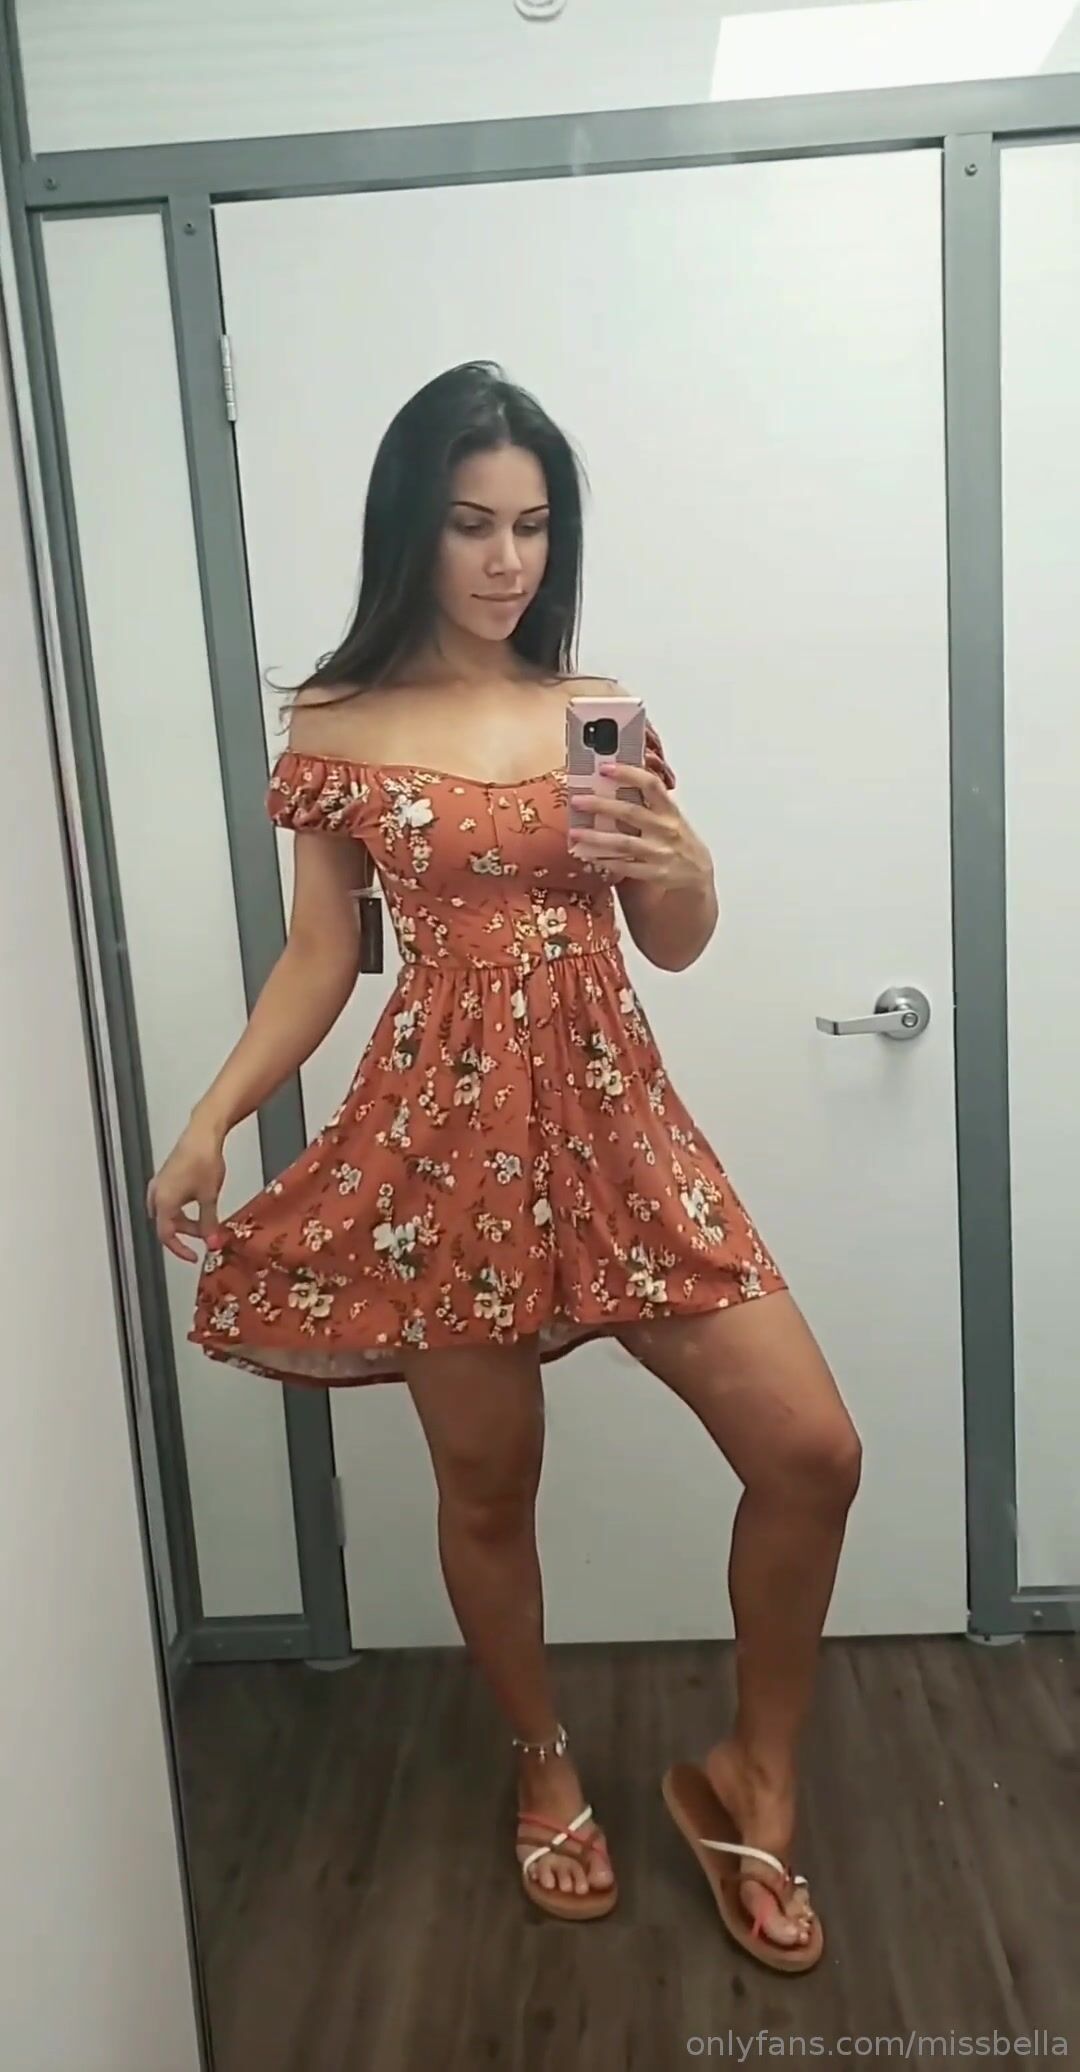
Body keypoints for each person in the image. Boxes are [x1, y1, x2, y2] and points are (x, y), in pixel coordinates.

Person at [148, 361, 860, 1968]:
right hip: (443, 1146)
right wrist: (209, 1119)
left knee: (812, 1448)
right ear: (413, 524)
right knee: (486, 1482)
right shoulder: (337, 728)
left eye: (533, 526)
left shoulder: (595, 712)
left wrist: (688, 865)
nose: (506, 560)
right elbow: (323, 955)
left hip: (616, 1122)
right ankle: (543, 1765)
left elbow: (672, 942)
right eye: (472, 523)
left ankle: (755, 1772)